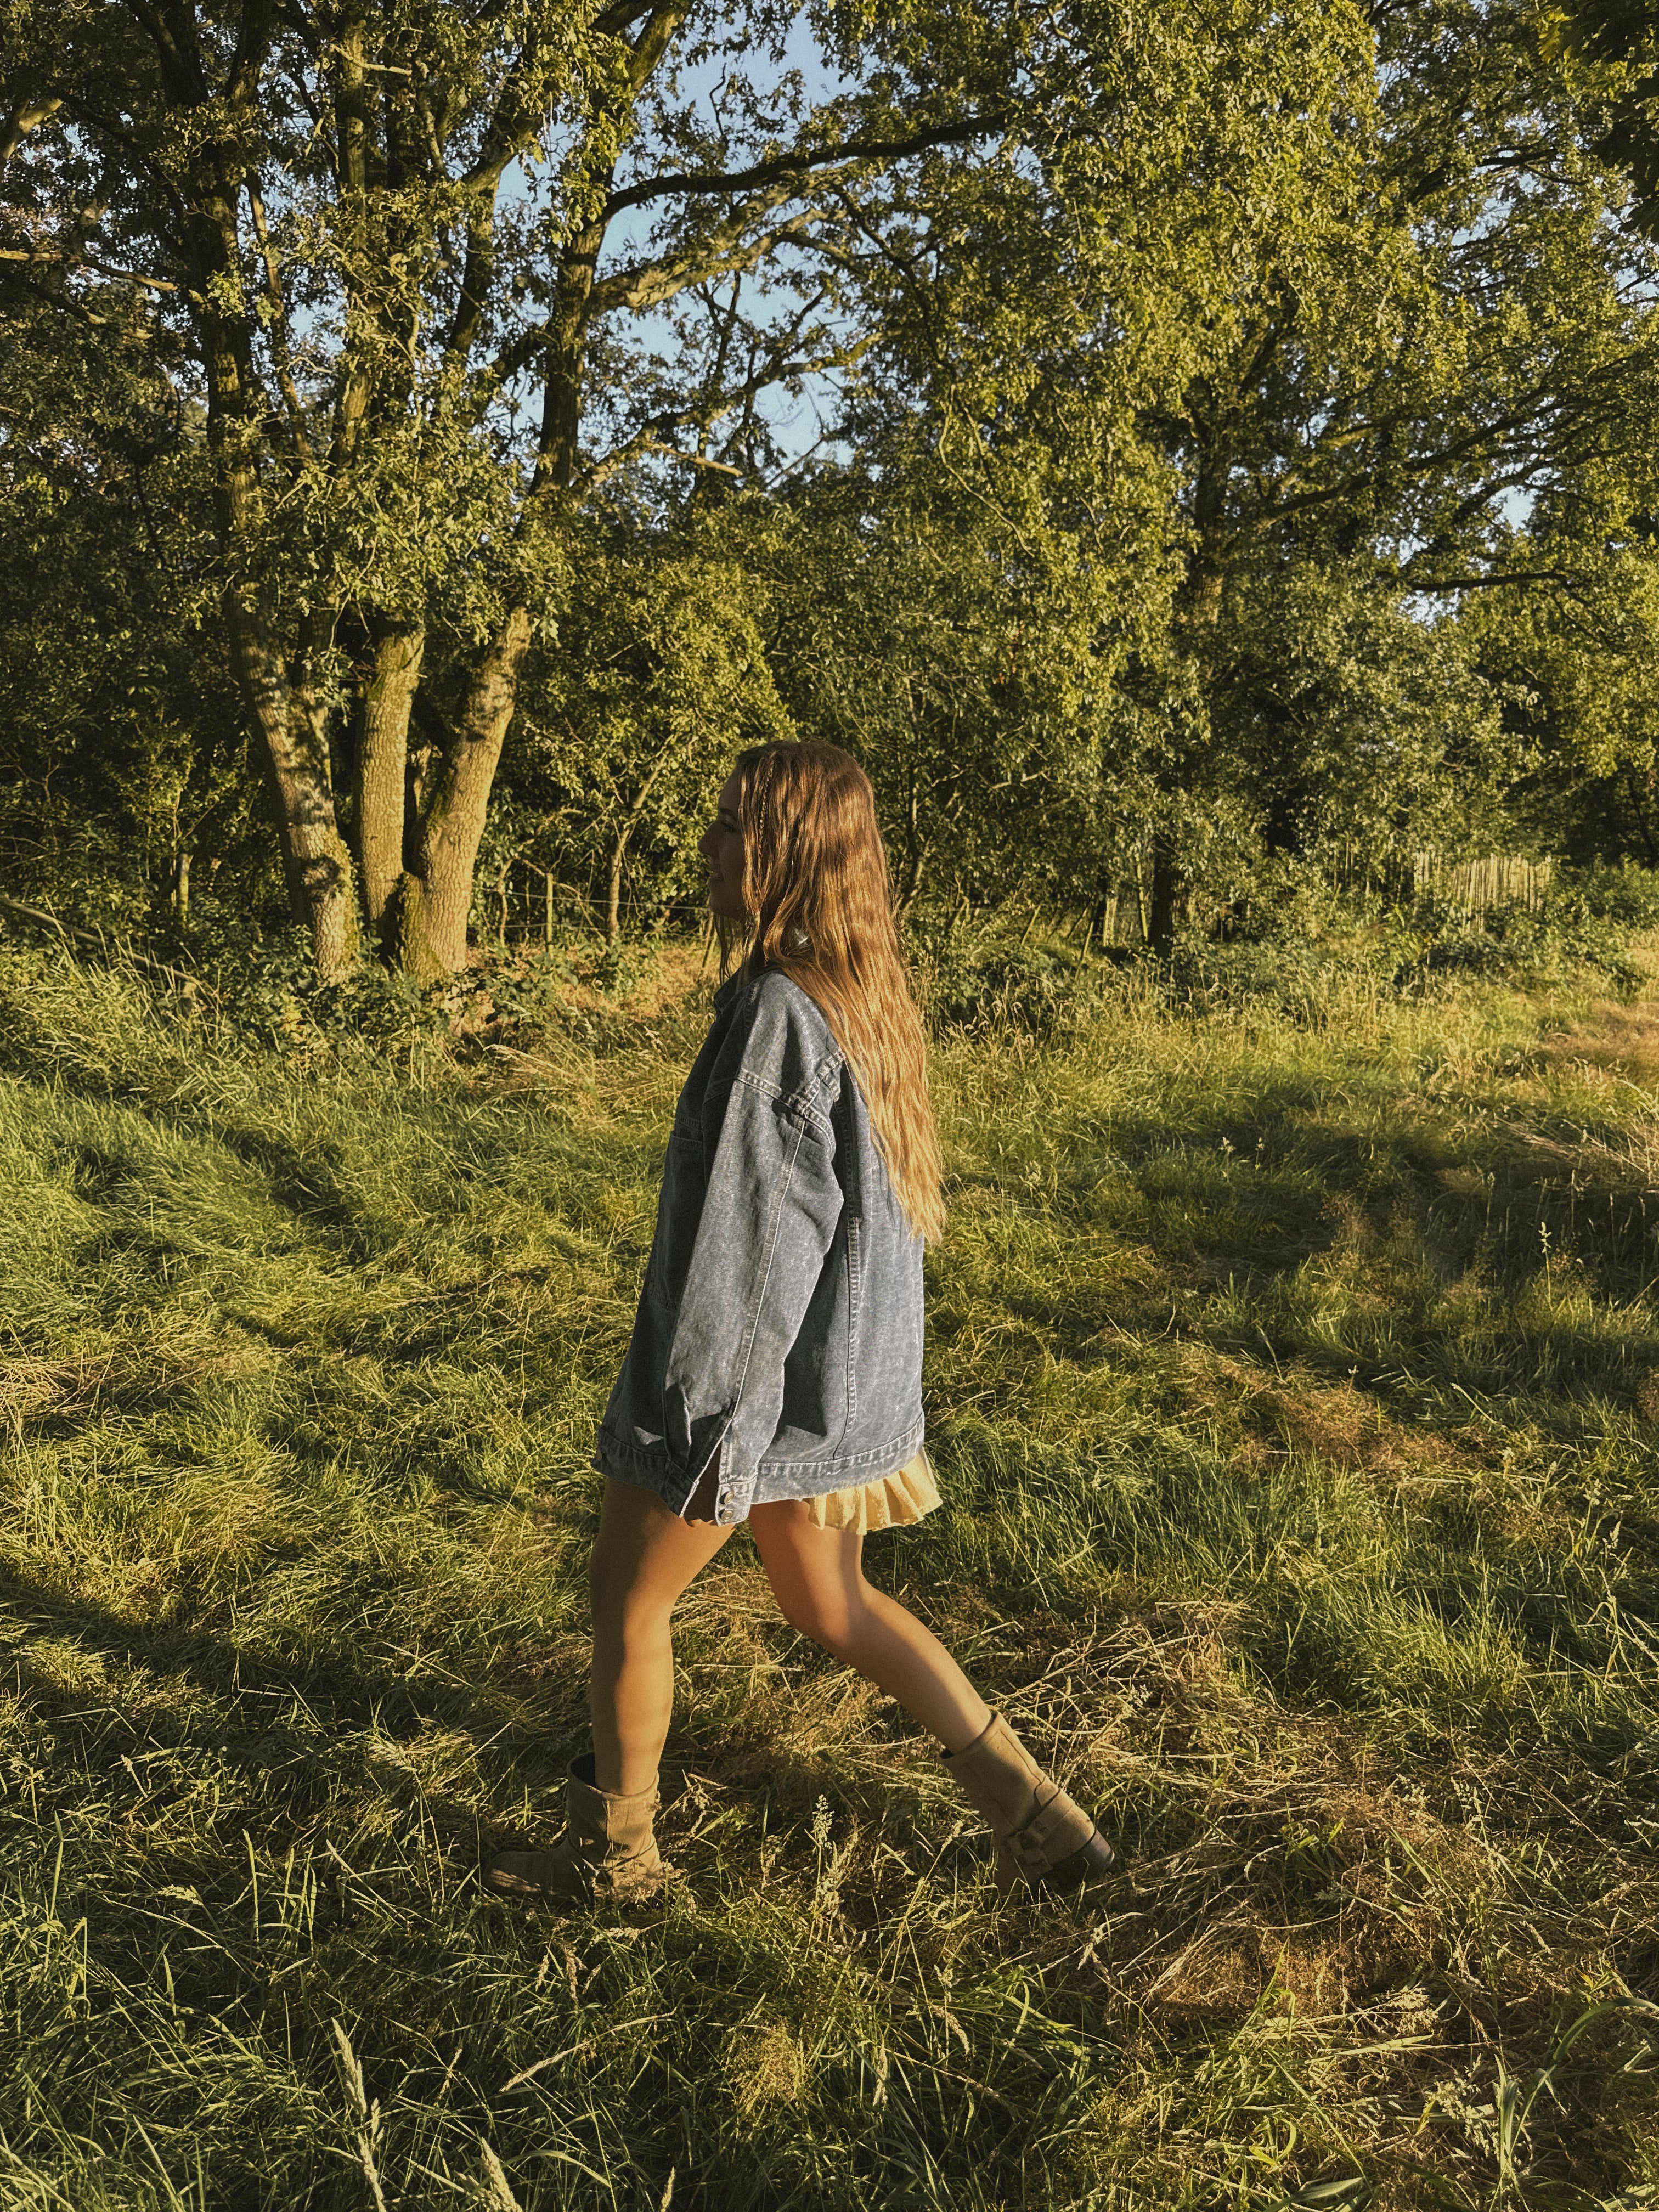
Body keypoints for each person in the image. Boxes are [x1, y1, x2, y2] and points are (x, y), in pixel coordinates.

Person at [483, 742, 1113, 1905]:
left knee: (629, 1600)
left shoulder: (777, 1011)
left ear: (784, 850)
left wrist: (699, 1427)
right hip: (834, 1388)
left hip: (753, 1393)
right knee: (834, 1604)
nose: (710, 846)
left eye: (731, 826)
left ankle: (615, 1863)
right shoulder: (856, 990)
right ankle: (1039, 1814)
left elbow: (757, 1247)